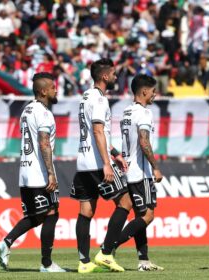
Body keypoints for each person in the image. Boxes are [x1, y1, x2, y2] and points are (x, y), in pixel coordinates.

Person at [0, 72, 65, 273]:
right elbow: (44, 143)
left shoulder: (26, 110)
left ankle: (6, 242)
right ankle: (46, 264)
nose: (55, 90)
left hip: (25, 172)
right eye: (52, 87)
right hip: (39, 174)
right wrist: (51, 174)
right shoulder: (44, 113)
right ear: (43, 91)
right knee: (52, 213)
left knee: (36, 217)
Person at [70, 58, 131, 273]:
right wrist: (107, 163)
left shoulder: (85, 97)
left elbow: (99, 133)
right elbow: (97, 131)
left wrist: (114, 154)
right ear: (105, 76)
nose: (116, 77)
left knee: (86, 210)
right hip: (97, 163)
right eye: (113, 73)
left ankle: (83, 262)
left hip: (83, 162)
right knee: (125, 201)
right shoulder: (100, 100)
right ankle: (105, 253)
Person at [110, 74, 164, 271]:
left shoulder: (126, 111)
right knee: (148, 216)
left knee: (139, 216)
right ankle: (109, 247)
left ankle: (143, 261)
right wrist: (156, 167)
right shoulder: (144, 113)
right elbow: (144, 141)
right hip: (141, 173)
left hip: (127, 170)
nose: (155, 95)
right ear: (144, 91)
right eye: (153, 91)